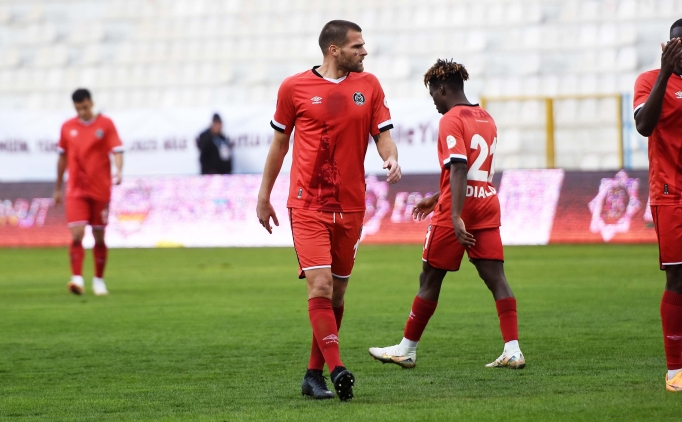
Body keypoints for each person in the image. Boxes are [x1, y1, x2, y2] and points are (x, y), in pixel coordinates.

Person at [256, 20, 401, 401]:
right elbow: (279, 145)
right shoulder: (294, 87)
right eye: (357, 46)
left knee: (336, 294)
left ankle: (312, 375)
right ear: (334, 50)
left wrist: (391, 158)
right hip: (307, 204)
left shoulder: (369, 86)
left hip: (351, 205)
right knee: (320, 285)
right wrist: (264, 195)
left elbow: (383, 136)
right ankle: (337, 368)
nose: (364, 52)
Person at [368, 60, 525, 370]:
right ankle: (513, 349)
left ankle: (406, 349)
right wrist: (436, 197)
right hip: (486, 205)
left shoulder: (451, 119)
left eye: (433, 96)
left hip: (458, 210)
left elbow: (460, 167)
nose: (434, 104)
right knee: (496, 279)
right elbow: (476, 174)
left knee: (430, 278)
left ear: (442, 89)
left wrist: (453, 214)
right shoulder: (487, 118)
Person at [633, 19, 682, 392]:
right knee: (678, 278)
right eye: (676, 45)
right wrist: (665, 74)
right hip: (672, 193)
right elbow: (644, 126)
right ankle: (675, 371)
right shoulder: (649, 81)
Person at [54, 88, 124, 296]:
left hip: (100, 189)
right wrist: (57, 187)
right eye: (78, 109)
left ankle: (99, 281)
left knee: (99, 235)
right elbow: (62, 158)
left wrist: (119, 170)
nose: (82, 112)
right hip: (76, 189)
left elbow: (117, 150)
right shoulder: (67, 127)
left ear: (91, 103)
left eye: (85, 107)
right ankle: (77, 279)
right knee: (77, 233)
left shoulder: (106, 124)